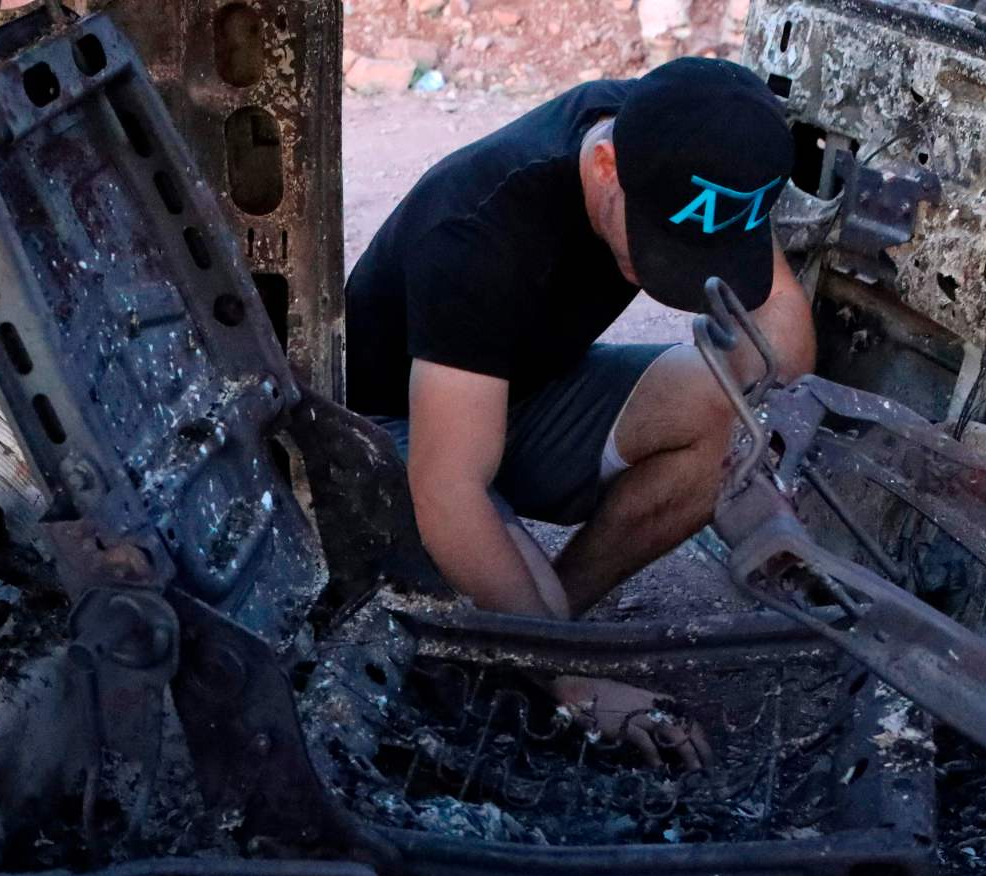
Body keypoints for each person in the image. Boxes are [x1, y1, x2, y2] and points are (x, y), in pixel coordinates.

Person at [345, 56, 815, 770]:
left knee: (725, 420)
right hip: (395, 425)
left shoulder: (684, 137)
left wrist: (551, 642)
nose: (665, 269)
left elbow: (784, 351)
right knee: (484, 568)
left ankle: (546, 625)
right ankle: (547, 651)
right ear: (603, 168)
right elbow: (446, 493)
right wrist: (578, 685)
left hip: (528, 394)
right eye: (658, 247)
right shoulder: (478, 227)